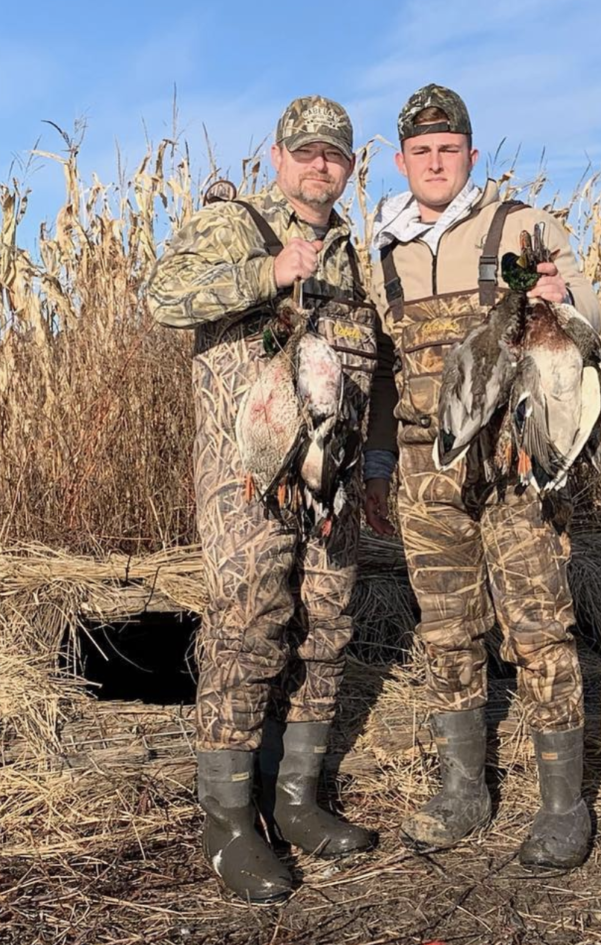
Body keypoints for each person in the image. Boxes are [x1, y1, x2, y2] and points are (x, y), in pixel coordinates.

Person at [148, 96, 383, 903]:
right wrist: (268, 273)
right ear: (279, 156)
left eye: (337, 155)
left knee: (326, 624)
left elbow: (369, 371)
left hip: (332, 475)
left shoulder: (355, 253)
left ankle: (296, 801)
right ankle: (226, 822)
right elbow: (161, 296)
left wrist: (373, 465)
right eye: (307, 151)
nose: (322, 165)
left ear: (349, 168)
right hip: (246, 474)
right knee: (249, 626)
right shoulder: (234, 224)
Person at [362, 84, 601, 870]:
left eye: (450, 148)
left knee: (539, 627)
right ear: (402, 162)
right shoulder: (386, 253)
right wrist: (372, 464)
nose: (436, 162)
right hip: (426, 480)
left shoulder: (518, 226)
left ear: (471, 152)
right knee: (446, 635)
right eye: (422, 152)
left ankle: (564, 803)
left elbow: (591, 321)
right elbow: (380, 377)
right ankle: (465, 789)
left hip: (512, 470)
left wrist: (564, 303)